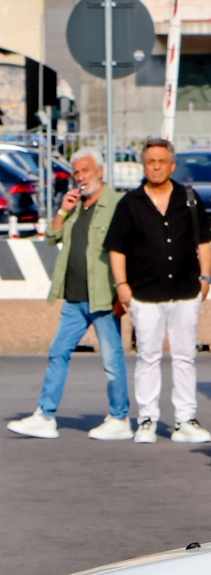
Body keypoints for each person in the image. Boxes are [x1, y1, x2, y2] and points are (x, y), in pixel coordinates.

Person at [7, 149, 130, 441]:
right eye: (76, 172)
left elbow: (129, 250)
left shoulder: (117, 205)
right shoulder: (76, 206)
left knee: (112, 360)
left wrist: (122, 293)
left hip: (103, 297)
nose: (81, 177)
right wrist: (63, 209)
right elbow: (51, 237)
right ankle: (45, 415)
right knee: (58, 352)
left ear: (100, 172)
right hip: (74, 298)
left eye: (86, 171)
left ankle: (119, 417)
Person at [105, 137, 211, 445]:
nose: (156, 166)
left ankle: (185, 420)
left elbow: (203, 242)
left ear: (172, 165)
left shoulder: (189, 199)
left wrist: (205, 279)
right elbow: (117, 248)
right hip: (144, 294)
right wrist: (122, 286)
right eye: (150, 161)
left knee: (184, 357)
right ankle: (147, 419)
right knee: (148, 357)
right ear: (144, 165)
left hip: (185, 292)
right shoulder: (130, 203)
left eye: (161, 161)